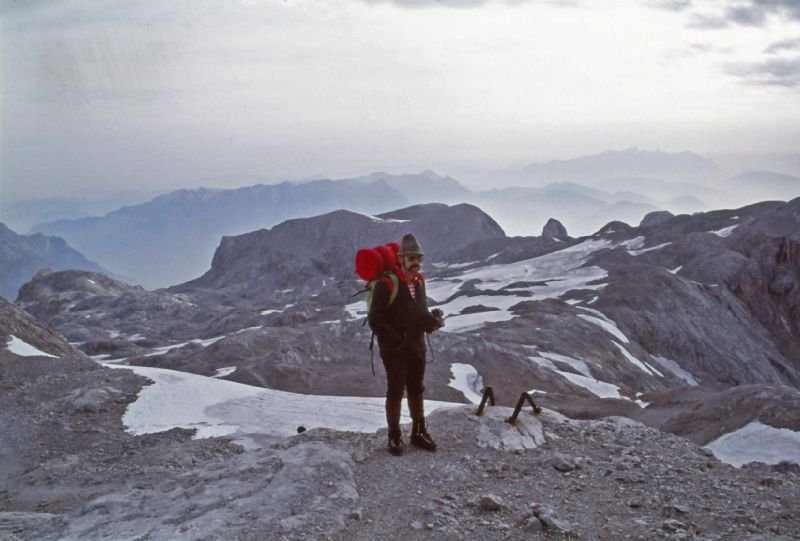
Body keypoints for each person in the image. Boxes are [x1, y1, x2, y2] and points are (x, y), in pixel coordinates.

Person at [368, 233, 442, 456]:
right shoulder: (386, 284)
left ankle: (418, 432)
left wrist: (431, 322)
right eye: (411, 258)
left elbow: (419, 311)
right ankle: (394, 436)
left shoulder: (419, 282)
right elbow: (375, 320)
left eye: (418, 258)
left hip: (417, 346)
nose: (416, 263)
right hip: (395, 350)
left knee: (416, 388)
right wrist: (397, 340)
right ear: (401, 258)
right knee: (396, 389)